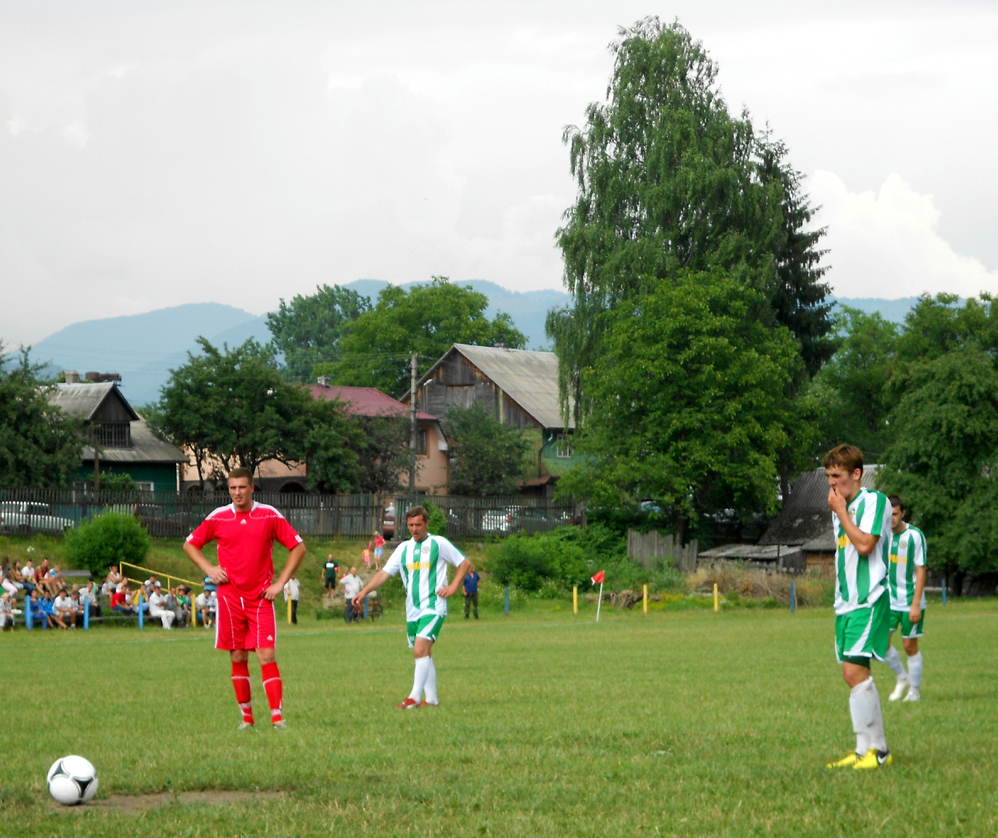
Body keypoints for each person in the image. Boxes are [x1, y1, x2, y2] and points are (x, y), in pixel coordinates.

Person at [183, 467, 306, 731]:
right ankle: (247, 720)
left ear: (252, 488)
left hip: (261, 597)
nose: (237, 492)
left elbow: (298, 547)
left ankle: (277, 718)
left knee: (267, 654)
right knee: (237, 655)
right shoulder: (219, 517)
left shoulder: (268, 515)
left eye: (242, 487)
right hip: (229, 598)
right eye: (233, 488)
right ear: (229, 490)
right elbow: (190, 544)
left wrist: (280, 583)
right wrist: (209, 569)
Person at [353, 505, 471, 709]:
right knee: (424, 653)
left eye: (418, 524)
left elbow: (465, 563)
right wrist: (364, 591)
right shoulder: (403, 549)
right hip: (412, 609)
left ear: (426, 523)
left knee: (420, 649)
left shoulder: (438, 543)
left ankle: (414, 697)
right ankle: (432, 699)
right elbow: (384, 573)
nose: (414, 529)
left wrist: (453, 587)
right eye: (410, 525)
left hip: (433, 606)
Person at [823, 444, 893, 770]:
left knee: (855, 672)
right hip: (846, 604)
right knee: (851, 676)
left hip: (869, 600)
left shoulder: (874, 502)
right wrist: (840, 510)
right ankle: (862, 748)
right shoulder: (843, 506)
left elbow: (865, 546)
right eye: (828, 477)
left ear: (856, 474)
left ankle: (879, 751)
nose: (831, 485)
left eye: (837, 477)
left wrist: (840, 512)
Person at [882, 495, 927, 703]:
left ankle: (914, 692)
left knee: (910, 646)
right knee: (881, 643)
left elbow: (921, 570)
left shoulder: (915, 536)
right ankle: (902, 678)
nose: (891, 518)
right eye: (887, 514)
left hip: (910, 600)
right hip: (888, 600)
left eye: (894, 514)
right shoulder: (882, 535)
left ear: (902, 514)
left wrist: (916, 604)